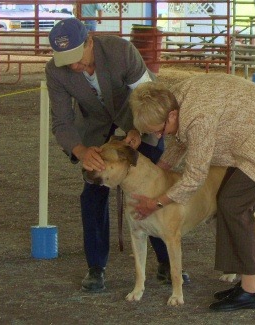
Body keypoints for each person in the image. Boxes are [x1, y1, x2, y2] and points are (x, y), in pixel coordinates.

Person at [128, 74, 255, 311]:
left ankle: (251, 290)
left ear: (171, 115)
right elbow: (180, 140)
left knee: (233, 205)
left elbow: (195, 177)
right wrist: (158, 172)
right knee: (229, 203)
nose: (159, 136)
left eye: (159, 130)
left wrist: (157, 202)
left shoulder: (198, 117)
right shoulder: (173, 100)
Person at [45, 18, 190, 293]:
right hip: (95, 128)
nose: (73, 66)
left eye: (77, 58)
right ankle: (96, 266)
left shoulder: (121, 51)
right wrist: (81, 150)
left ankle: (166, 262)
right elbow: (62, 122)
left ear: (90, 42)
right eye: (66, 61)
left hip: (137, 118)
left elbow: (148, 94)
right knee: (92, 193)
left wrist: (137, 129)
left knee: (155, 184)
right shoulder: (55, 72)